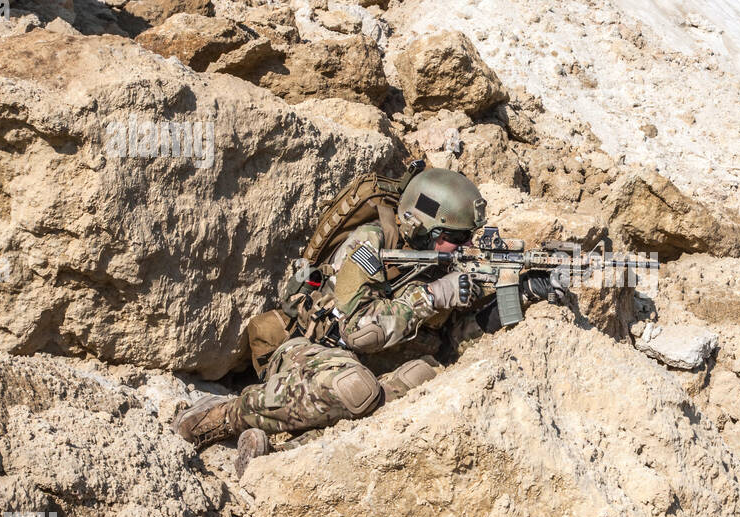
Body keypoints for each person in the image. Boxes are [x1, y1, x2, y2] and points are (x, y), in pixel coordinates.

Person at [173, 167, 561, 472]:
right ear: (421, 226)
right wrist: (431, 295)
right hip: (310, 353)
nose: (466, 247)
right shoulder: (369, 245)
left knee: (423, 376)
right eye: (455, 239)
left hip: (376, 370)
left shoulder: (447, 260)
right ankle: (222, 416)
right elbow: (356, 331)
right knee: (355, 387)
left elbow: (455, 340)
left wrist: (527, 291)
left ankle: (278, 450)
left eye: (469, 238)